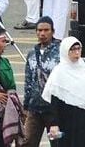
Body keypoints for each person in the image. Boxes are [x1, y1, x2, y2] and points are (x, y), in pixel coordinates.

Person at [42, 37, 85, 147]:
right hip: (69, 119)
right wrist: (54, 124)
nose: (77, 52)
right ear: (65, 51)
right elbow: (54, 100)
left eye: (79, 48)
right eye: (72, 49)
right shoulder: (59, 71)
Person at [22, 17, 61, 147]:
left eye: (46, 30)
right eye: (39, 30)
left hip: (55, 109)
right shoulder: (32, 53)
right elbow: (28, 80)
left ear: (53, 31)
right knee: (27, 142)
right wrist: (26, 106)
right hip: (34, 109)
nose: (42, 34)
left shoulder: (61, 52)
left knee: (58, 143)